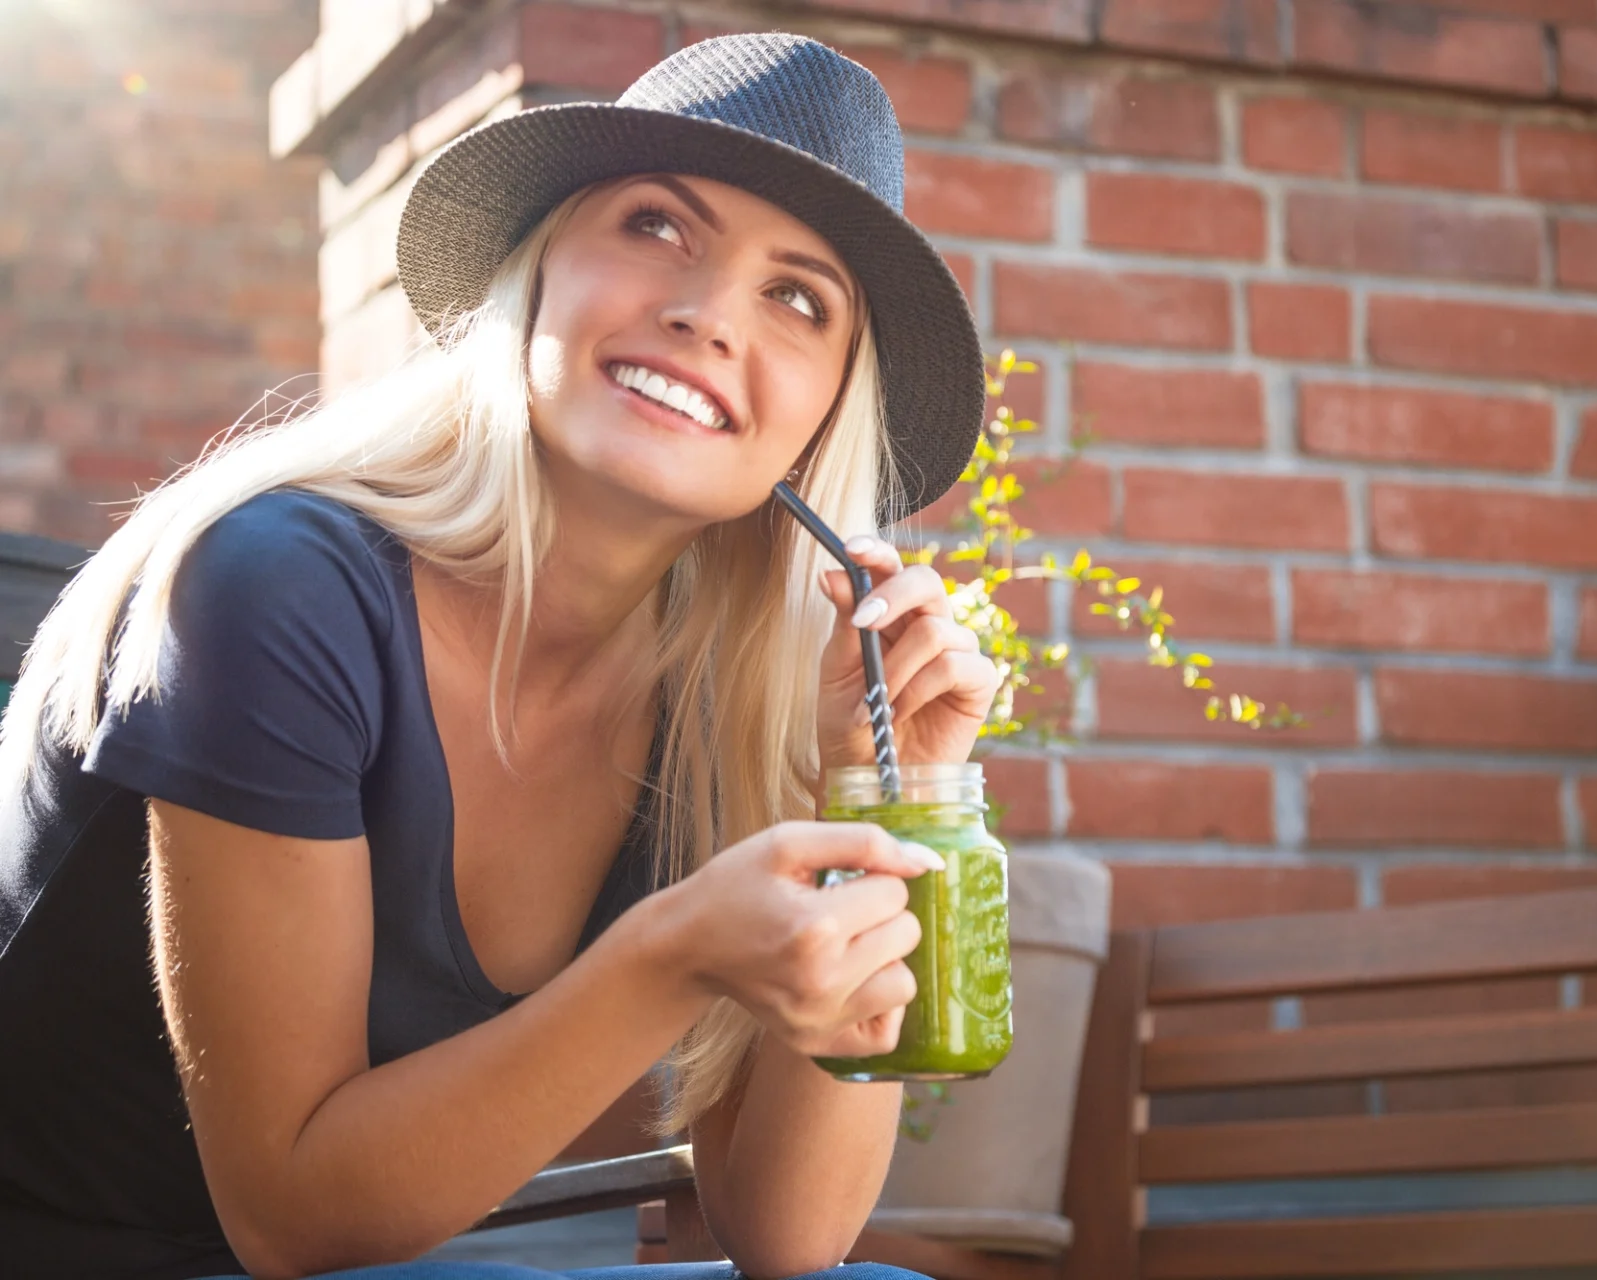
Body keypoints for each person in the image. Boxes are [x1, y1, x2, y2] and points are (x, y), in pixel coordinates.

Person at [0, 32, 997, 1280]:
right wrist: (673, 948)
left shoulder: (723, 705)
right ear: (535, 273)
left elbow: (793, 1239)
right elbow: (292, 1218)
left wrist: (871, 786)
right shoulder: (277, 584)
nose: (705, 312)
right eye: (655, 227)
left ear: (815, 427)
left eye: (797, 298)